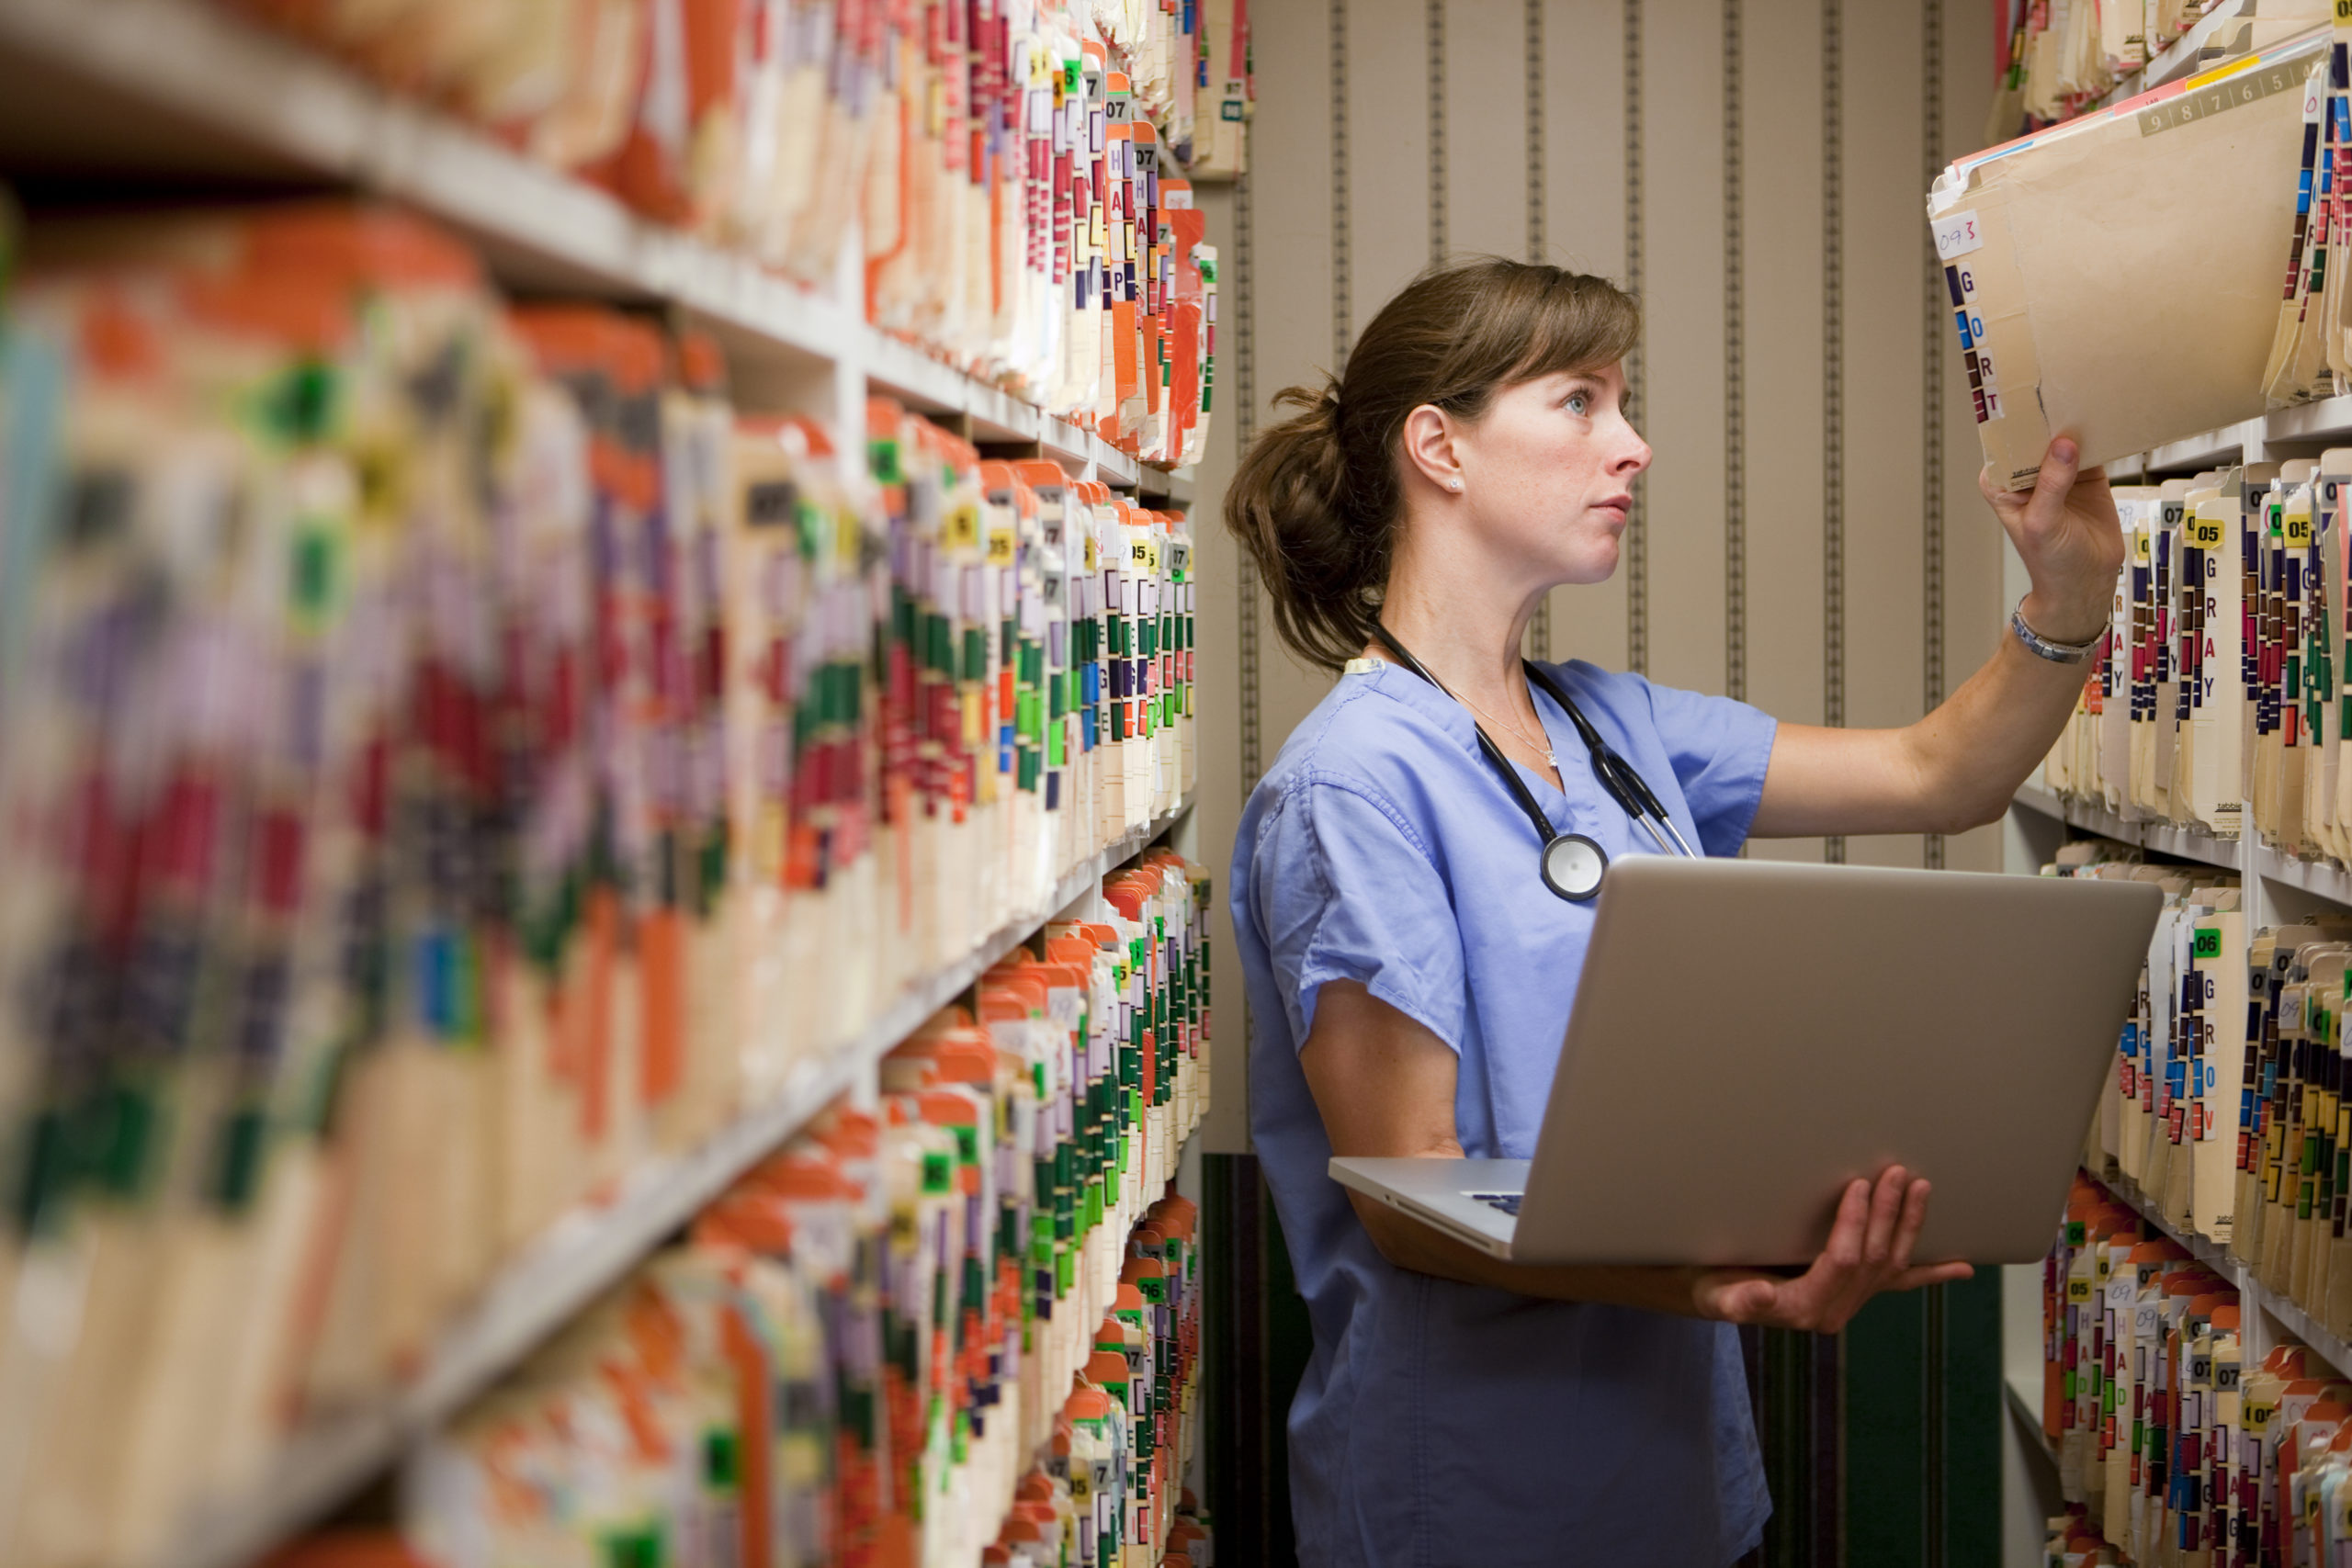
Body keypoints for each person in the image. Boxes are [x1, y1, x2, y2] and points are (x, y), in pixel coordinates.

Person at [1223, 258, 2121, 1564]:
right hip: (1471, 1504)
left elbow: (1946, 775)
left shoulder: (1611, 723)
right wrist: (1711, 1281)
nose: (1634, 447)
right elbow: (1404, 1195)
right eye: (1581, 403)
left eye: (1624, 404)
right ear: (1440, 448)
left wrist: (2069, 600)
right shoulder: (1350, 783)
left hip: (1687, 1485)